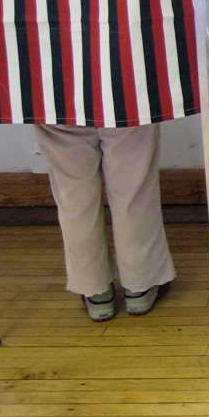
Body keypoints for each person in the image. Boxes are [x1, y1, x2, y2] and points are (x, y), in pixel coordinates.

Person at [34, 124, 174, 321]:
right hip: (127, 97)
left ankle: (95, 291)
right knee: (133, 189)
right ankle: (140, 285)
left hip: (58, 98)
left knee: (74, 197)